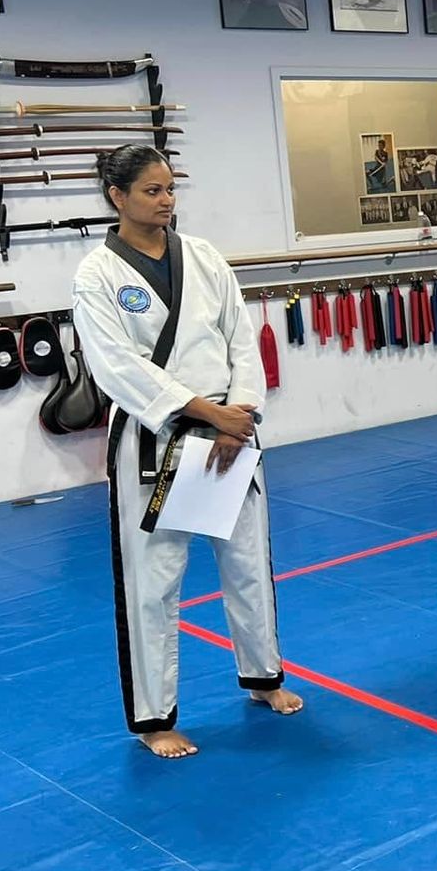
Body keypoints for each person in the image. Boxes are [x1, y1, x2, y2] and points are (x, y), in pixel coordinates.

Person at [72, 144, 303, 759]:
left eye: (171, 189)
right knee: (154, 581)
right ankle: (155, 718)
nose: (166, 200)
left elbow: (242, 340)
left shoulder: (204, 257)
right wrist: (209, 412)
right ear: (117, 197)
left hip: (230, 433)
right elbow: (117, 368)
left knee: (250, 565)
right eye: (152, 191)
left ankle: (264, 678)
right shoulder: (97, 275)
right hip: (158, 439)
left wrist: (240, 414)